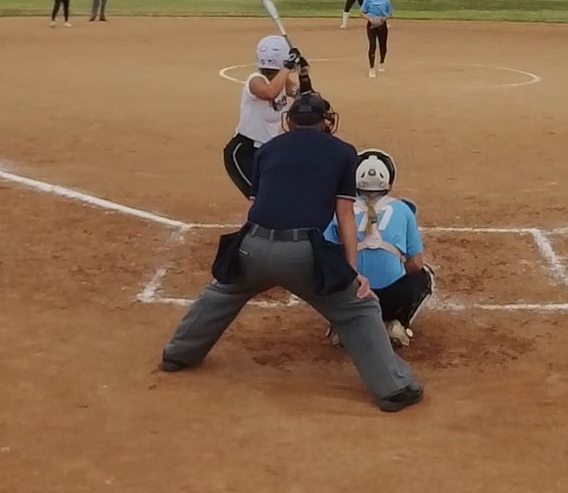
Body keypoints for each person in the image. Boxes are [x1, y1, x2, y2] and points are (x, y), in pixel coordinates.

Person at [160, 91, 424, 413]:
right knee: (360, 308)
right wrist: (352, 273)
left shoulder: (268, 149)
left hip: (252, 247)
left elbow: (256, 207)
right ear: (326, 121)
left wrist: (242, 255)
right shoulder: (343, 152)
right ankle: (394, 388)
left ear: (290, 120)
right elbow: (344, 215)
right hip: (302, 255)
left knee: (221, 292)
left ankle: (177, 354)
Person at [323, 149, 434, 348]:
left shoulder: (338, 208)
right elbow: (415, 264)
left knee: (325, 271)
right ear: (388, 181)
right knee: (425, 276)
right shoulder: (403, 209)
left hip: (353, 295)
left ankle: (342, 324)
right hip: (391, 298)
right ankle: (397, 323)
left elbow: (325, 255)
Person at [224, 36, 301, 198]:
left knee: (276, 196)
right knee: (262, 198)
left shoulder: (281, 81)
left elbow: (302, 93)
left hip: (269, 151)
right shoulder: (256, 80)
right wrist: (287, 66)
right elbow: (269, 92)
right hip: (245, 152)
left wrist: (304, 72)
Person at [363, 0, 393, 78]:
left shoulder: (386, 0)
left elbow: (390, 14)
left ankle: (382, 62)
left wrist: (383, 19)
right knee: (372, 45)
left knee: (383, 45)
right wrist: (370, 19)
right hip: (371, 25)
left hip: (382, 24)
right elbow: (363, 12)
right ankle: (371, 68)